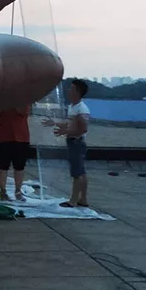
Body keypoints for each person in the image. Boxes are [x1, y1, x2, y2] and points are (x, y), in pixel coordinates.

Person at [43, 79, 90, 208]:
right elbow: (70, 124)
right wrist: (55, 123)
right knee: (81, 171)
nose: (68, 90)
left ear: (77, 92)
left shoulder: (81, 109)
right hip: (74, 142)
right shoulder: (73, 107)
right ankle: (83, 199)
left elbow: (83, 128)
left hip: (77, 143)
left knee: (76, 173)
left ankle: (73, 200)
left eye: (71, 88)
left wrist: (66, 131)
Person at [0, 105, 31, 202]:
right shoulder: (3, 98)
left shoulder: (24, 100)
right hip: (3, 135)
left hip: (21, 137)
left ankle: (18, 191)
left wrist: (13, 103)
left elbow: (23, 110)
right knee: (3, 166)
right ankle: (3, 192)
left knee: (19, 166)